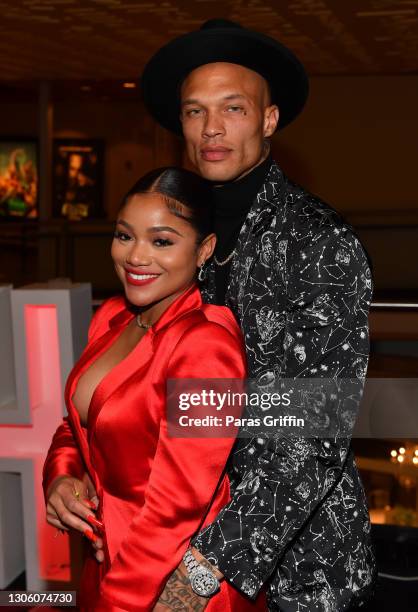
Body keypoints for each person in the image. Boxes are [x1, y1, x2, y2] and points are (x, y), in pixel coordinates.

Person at [140, 18, 377, 611]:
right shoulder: (170, 236)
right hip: (173, 532)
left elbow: (312, 429)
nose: (211, 129)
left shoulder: (320, 241)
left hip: (297, 569)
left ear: (269, 120)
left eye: (233, 109)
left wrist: (206, 567)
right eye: (195, 112)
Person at [42, 167, 268, 611]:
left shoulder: (206, 347)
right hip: (105, 560)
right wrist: (62, 475)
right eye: (124, 236)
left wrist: (120, 602)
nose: (135, 257)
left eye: (161, 241)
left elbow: (174, 508)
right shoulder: (112, 317)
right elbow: (78, 425)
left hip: (167, 586)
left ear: (203, 249)